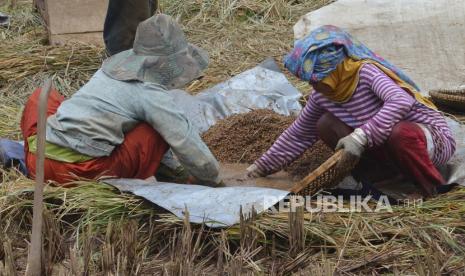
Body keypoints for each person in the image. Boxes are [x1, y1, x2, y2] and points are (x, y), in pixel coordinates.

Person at [247, 25, 456, 198]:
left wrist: (361, 136)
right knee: (325, 124)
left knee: (399, 133)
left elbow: (401, 100)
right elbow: (298, 134)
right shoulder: (323, 96)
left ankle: (428, 188)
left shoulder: (365, 73)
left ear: (334, 70)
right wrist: (260, 167)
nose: (314, 86)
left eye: (317, 80)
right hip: (384, 148)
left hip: (429, 143)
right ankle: (376, 178)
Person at [21, 14, 221, 186]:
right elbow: (184, 139)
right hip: (76, 172)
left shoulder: (112, 70)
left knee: (42, 97)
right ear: (166, 63)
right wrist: (212, 178)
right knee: (155, 130)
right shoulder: (150, 94)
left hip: (36, 158)